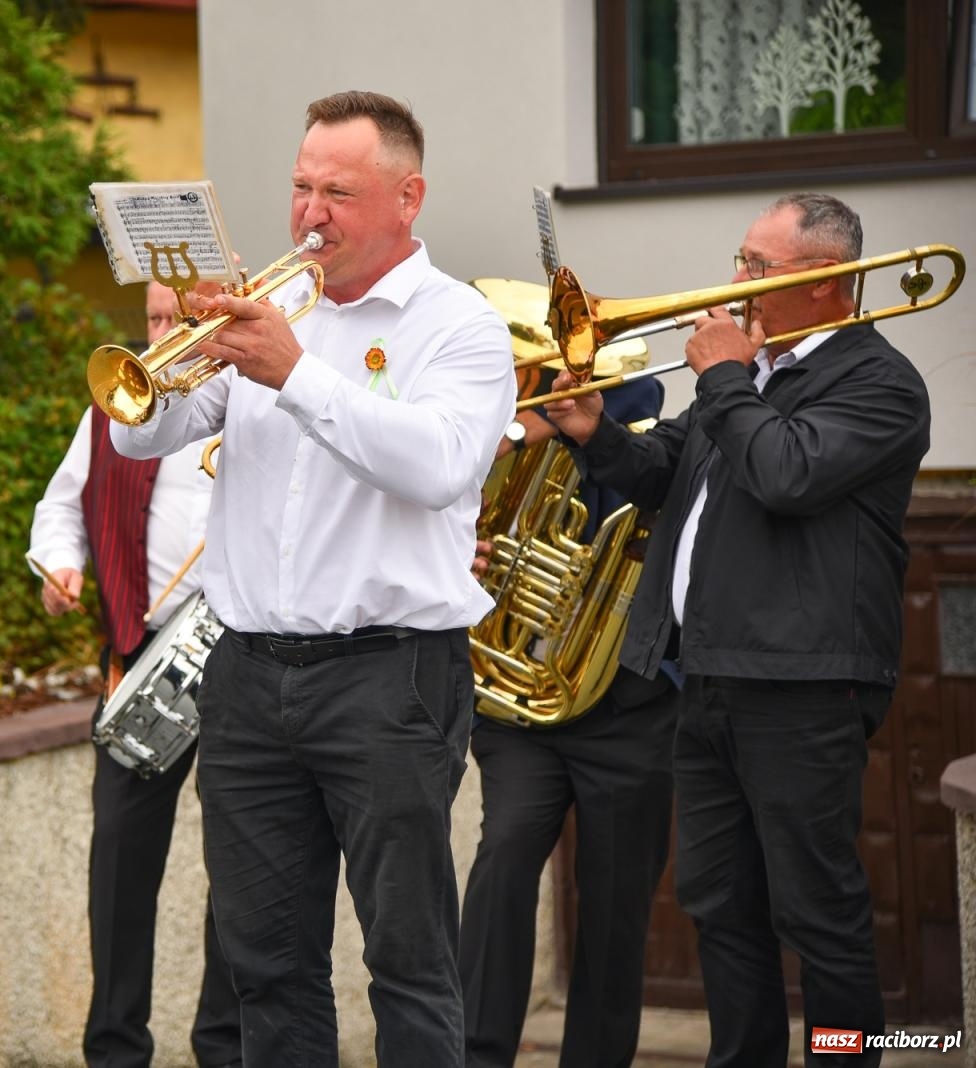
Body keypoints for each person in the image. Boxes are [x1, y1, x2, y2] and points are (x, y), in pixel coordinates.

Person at [112, 91, 516, 1064]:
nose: (308, 213)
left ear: (406, 197)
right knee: (266, 962)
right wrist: (177, 355)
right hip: (248, 675)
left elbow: (436, 465)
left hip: (389, 679)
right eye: (299, 187)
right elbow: (141, 434)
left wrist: (293, 372)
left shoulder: (457, 324)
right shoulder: (274, 307)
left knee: (409, 960)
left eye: (338, 190)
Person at [542, 192, 930, 1068]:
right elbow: (664, 472)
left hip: (802, 685)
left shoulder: (879, 382)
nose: (734, 281)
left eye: (756, 266)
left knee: (818, 913)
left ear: (830, 281)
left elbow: (787, 473)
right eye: (741, 259)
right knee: (720, 903)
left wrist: (723, 375)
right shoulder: (750, 373)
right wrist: (596, 433)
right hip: (709, 678)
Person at [29, 280, 242, 1068]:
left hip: (237, 657)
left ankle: (224, 1047)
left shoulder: (252, 401)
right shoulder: (114, 408)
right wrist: (61, 563)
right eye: (152, 319)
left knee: (241, 866)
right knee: (119, 866)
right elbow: (61, 505)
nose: (160, 334)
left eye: (177, 320)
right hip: (141, 650)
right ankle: (115, 1051)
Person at [460, 377, 680, 1068]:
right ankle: (475, 1053)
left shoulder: (638, 419)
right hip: (521, 701)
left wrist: (569, 420)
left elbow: (642, 394)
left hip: (630, 710)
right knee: (503, 861)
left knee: (617, 905)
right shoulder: (491, 435)